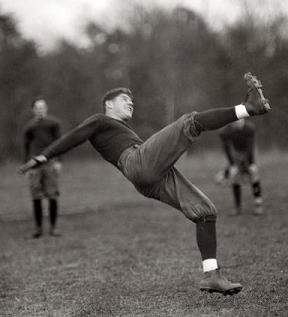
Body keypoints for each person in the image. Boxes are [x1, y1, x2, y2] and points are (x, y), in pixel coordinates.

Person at [18, 72, 270, 295]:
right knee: (189, 122)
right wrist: (44, 156)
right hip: (136, 163)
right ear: (109, 104)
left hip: (148, 177)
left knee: (205, 211)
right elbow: (74, 137)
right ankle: (248, 108)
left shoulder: (122, 129)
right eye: (124, 99)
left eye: (131, 100)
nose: (130, 102)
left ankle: (212, 275)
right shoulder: (99, 120)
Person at [22, 97, 62, 238]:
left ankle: (54, 228)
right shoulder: (29, 127)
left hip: (50, 163)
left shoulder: (54, 124)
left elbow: (60, 143)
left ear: (46, 108)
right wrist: (28, 167)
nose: (40, 110)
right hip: (35, 165)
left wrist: (58, 161)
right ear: (33, 110)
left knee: (52, 195)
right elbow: (26, 148)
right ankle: (38, 229)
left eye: (42, 107)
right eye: (37, 108)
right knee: (36, 196)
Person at [219, 118, 263, 216]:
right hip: (236, 152)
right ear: (231, 123)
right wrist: (233, 165)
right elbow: (227, 149)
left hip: (249, 150)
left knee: (254, 173)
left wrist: (251, 163)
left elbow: (250, 147)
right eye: (237, 122)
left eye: (241, 121)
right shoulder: (225, 131)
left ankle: (258, 204)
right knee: (234, 176)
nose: (240, 123)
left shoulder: (249, 128)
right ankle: (237, 207)